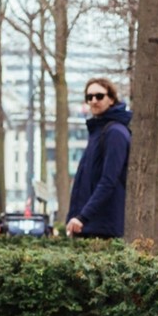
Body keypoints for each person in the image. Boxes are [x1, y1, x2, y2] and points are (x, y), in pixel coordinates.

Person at [66, 78, 131, 238]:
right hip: (91, 226)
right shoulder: (98, 131)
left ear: (111, 99)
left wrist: (83, 217)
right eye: (89, 97)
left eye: (99, 96)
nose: (94, 101)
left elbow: (109, 180)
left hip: (103, 228)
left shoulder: (114, 132)